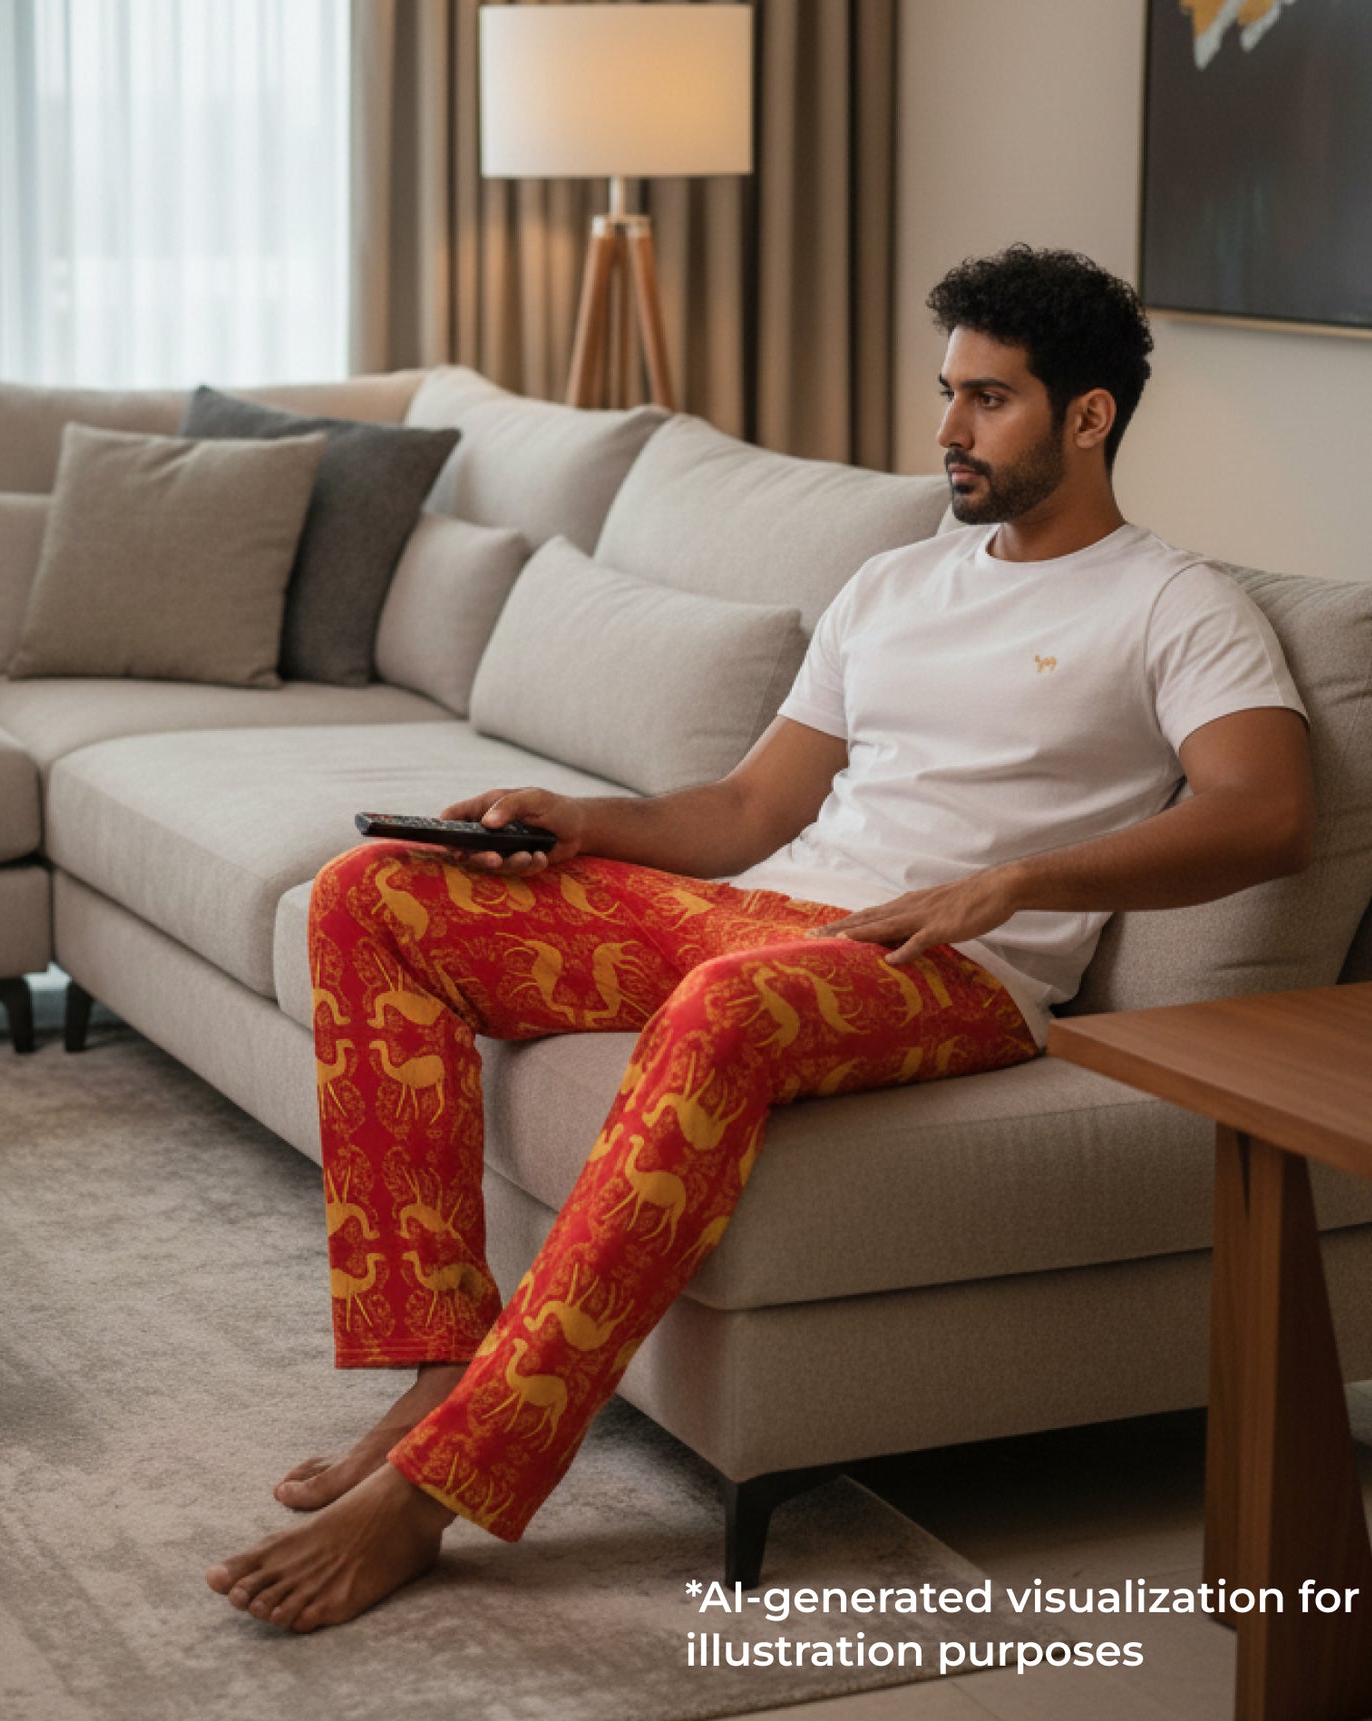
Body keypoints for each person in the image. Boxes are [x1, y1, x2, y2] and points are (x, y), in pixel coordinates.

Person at [206, 244, 1313, 1632]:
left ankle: (445, 1484)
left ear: (1087, 417)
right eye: (945, 393)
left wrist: (1010, 884)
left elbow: (1263, 811)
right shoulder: (893, 582)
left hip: (947, 970)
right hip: (761, 908)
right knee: (372, 892)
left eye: (987, 401)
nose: (945, 432)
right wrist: (583, 818)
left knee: (728, 1004)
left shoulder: (1175, 602)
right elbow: (746, 808)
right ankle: (439, 1356)